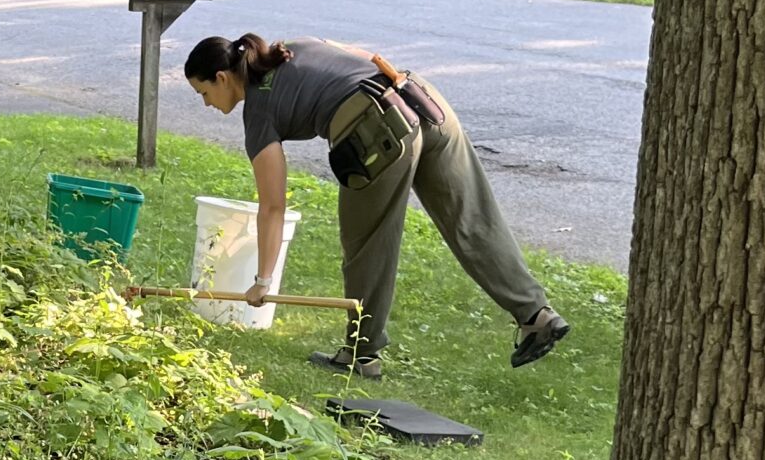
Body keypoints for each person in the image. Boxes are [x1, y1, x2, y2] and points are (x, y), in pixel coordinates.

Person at [181, 31, 568, 378]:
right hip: (421, 99)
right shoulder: (292, 47)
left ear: (222, 78)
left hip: (378, 130)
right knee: (472, 218)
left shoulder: (259, 112)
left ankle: (362, 355)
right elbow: (364, 55)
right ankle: (536, 315)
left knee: (367, 243)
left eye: (204, 93)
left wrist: (262, 282)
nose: (206, 104)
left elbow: (272, 206)